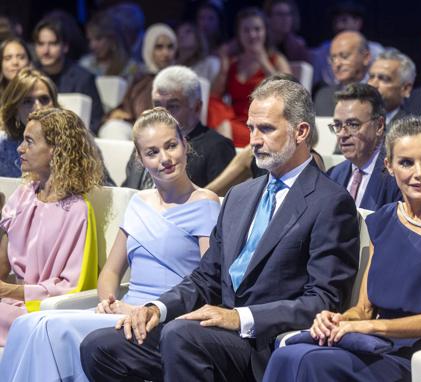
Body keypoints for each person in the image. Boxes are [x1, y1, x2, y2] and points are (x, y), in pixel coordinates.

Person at [80, 79, 360, 381]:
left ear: (301, 132)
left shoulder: (330, 201)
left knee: (181, 337)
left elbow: (323, 300)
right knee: (100, 346)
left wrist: (238, 317)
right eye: (251, 128)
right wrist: (156, 308)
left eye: (266, 129)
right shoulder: (241, 196)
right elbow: (206, 277)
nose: (254, 140)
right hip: (212, 334)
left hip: (265, 343)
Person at [0, 107, 221, 382]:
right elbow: (111, 272)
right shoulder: (139, 202)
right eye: (152, 152)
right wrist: (107, 301)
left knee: (47, 328)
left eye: (171, 146)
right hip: (121, 311)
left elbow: (208, 284)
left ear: (185, 145)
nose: (165, 159)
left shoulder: (206, 203)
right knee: (28, 325)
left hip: (163, 318)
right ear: (140, 159)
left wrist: (150, 310)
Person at [263, 116, 421, 381]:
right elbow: (363, 309)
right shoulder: (387, 219)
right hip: (371, 344)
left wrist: (371, 327)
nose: (419, 173)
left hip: (414, 355)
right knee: (287, 353)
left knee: (311, 362)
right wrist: (338, 320)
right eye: (406, 162)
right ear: (389, 166)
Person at [0, 107, 103, 345]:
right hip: (12, 302)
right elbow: (3, 263)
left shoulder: (76, 210)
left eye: (29, 142)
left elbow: (71, 288)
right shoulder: (24, 195)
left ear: (55, 150)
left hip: (43, 312)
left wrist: (8, 291)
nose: (20, 148)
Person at [122, 65, 235, 189]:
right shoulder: (146, 142)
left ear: (197, 107)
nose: (163, 113)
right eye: (157, 104)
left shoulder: (217, 147)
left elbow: (224, 202)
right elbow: (127, 190)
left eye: (173, 106)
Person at [208, 7, 291, 147]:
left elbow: (289, 92)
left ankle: (226, 158)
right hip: (235, 121)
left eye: (257, 29)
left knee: (224, 129)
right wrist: (223, 67)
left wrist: (263, 62)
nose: (252, 35)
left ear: (265, 31)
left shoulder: (276, 59)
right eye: (246, 30)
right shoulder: (234, 63)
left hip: (263, 123)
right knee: (213, 104)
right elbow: (215, 95)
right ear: (239, 35)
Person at [327, 83, 401, 210]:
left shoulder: (396, 178)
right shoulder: (333, 175)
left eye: (353, 125)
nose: (343, 134)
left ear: (379, 126)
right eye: (338, 125)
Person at [101, 22, 177, 138]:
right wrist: (118, 113)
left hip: (166, 131)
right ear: (149, 48)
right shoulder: (141, 78)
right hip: (136, 128)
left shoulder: (178, 79)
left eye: (170, 47)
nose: (165, 53)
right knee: (113, 128)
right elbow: (127, 105)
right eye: (159, 47)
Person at [32, 18, 104, 134]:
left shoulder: (84, 78)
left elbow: (95, 121)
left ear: (65, 46)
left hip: (72, 142)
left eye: (53, 44)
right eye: (41, 44)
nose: (46, 50)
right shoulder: (28, 75)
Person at [0, 68, 60, 178]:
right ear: (15, 110)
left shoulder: (74, 144)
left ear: (55, 104)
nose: (38, 107)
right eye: (27, 101)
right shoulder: (2, 147)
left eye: (44, 99)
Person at [314, 30, 371, 117]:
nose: (337, 64)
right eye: (333, 58)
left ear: (366, 58)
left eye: (344, 56)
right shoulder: (323, 97)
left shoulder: (379, 94)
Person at [79, 10, 142, 83]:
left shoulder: (132, 69)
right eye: (89, 40)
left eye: (98, 39)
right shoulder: (84, 66)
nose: (92, 46)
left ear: (113, 39)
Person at [367, 48, 415, 126]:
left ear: (406, 89)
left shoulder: (412, 128)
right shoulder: (356, 118)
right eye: (371, 77)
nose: (373, 84)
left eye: (384, 79)